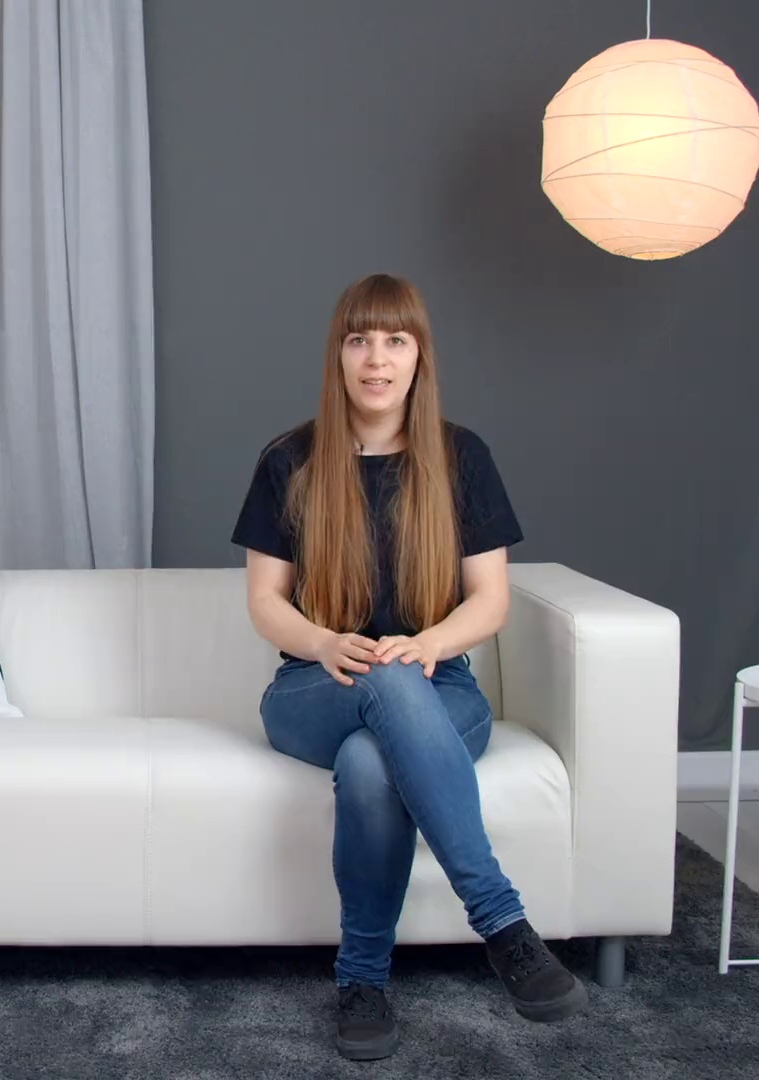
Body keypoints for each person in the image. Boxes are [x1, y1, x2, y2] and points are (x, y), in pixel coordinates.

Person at [230, 273, 588, 1062]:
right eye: (359, 340)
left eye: (395, 340)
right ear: (338, 355)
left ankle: (362, 980)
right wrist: (323, 643)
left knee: (369, 763)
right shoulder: (289, 459)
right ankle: (503, 924)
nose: (377, 360)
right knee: (375, 693)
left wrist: (427, 646)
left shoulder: (462, 457)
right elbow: (264, 602)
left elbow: (490, 601)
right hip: (312, 687)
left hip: (440, 688)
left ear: (420, 354)